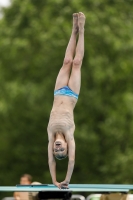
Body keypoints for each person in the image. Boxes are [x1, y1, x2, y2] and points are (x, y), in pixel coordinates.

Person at [47, 12, 85, 189]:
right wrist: (66, 180)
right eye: (61, 150)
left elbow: (51, 162)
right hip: (72, 95)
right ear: (66, 148)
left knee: (67, 60)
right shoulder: (70, 137)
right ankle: (82, 30)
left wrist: (54, 180)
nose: (57, 148)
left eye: (56, 151)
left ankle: (74, 30)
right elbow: (71, 161)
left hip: (58, 91)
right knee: (76, 62)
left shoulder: (50, 135)